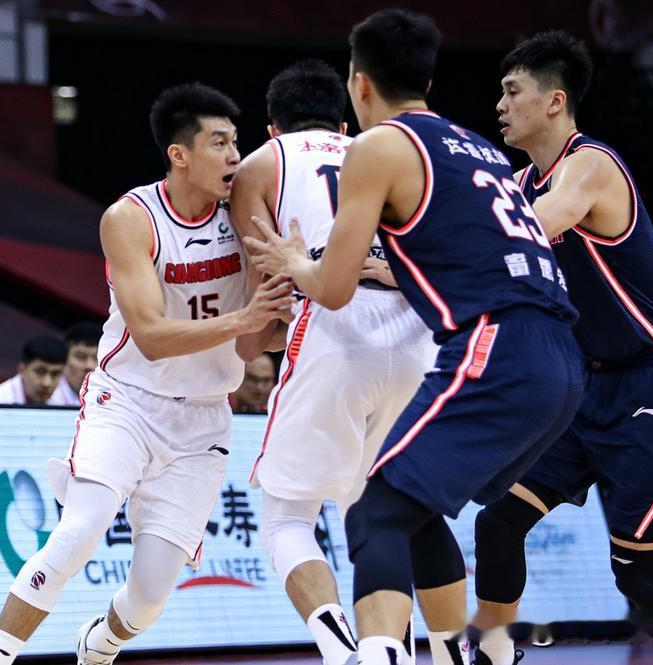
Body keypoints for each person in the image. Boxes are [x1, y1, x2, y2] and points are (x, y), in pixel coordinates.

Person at [244, 10, 583, 664]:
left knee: (374, 514)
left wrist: (295, 263)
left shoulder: (377, 147)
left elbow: (332, 288)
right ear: (427, 79)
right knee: (415, 510)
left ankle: (377, 655)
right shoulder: (481, 148)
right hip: (560, 358)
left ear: (360, 83)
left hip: (495, 345)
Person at [0, 82, 293, 665]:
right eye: (219, 143)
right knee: (79, 532)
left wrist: (291, 309)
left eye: (236, 142)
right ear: (179, 154)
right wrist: (245, 319)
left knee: (147, 600)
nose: (234, 156)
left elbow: (255, 342)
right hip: (127, 401)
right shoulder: (131, 217)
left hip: (203, 422)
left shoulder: (248, 215)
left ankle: (99, 644)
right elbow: (150, 334)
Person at [471, 31, 653, 665]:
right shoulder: (521, 182)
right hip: (584, 391)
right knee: (498, 523)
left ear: (555, 100)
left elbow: (537, 225)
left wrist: (454, 234)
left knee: (639, 575)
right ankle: (495, 656)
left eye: (512, 91)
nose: (500, 104)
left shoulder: (590, 165)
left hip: (651, 385)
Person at [229, 59, 440, 664]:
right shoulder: (387, 152)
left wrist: (254, 342)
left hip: (333, 327)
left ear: (273, 128)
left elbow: (263, 309)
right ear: (345, 124)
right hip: (418, 339)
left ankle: (341, 648)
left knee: (286, 520)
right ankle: (389, 652)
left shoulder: (263, 163)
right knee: (383, 517)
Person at [0, 335, 68, 406]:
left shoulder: (65, 404)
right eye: (40, 372)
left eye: (55, 374)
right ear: (22, 370)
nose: (47, 383)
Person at [49, 322, 103, 406]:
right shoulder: (48, 399)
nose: (90, 366)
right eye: (81, 357)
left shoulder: (113, 396)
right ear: (63, 360)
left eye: (97, 358)